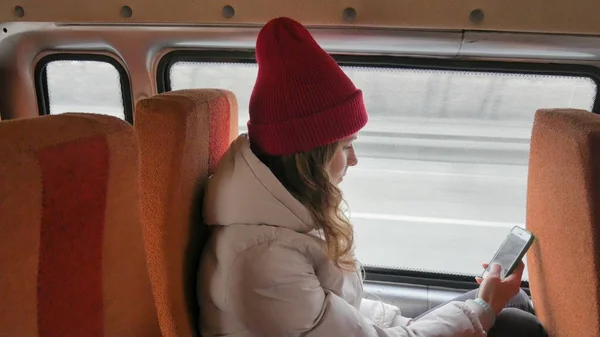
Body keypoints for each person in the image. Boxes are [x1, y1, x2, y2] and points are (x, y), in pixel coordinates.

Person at [197, 16, 548, 337]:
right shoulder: (261, 261)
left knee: (512, 302)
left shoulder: (285, 215)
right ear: (310, 159)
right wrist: (480, 309)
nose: (355, 159)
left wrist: (439, 316)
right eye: (345, 146)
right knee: (519, 326)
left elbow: (342, 313)